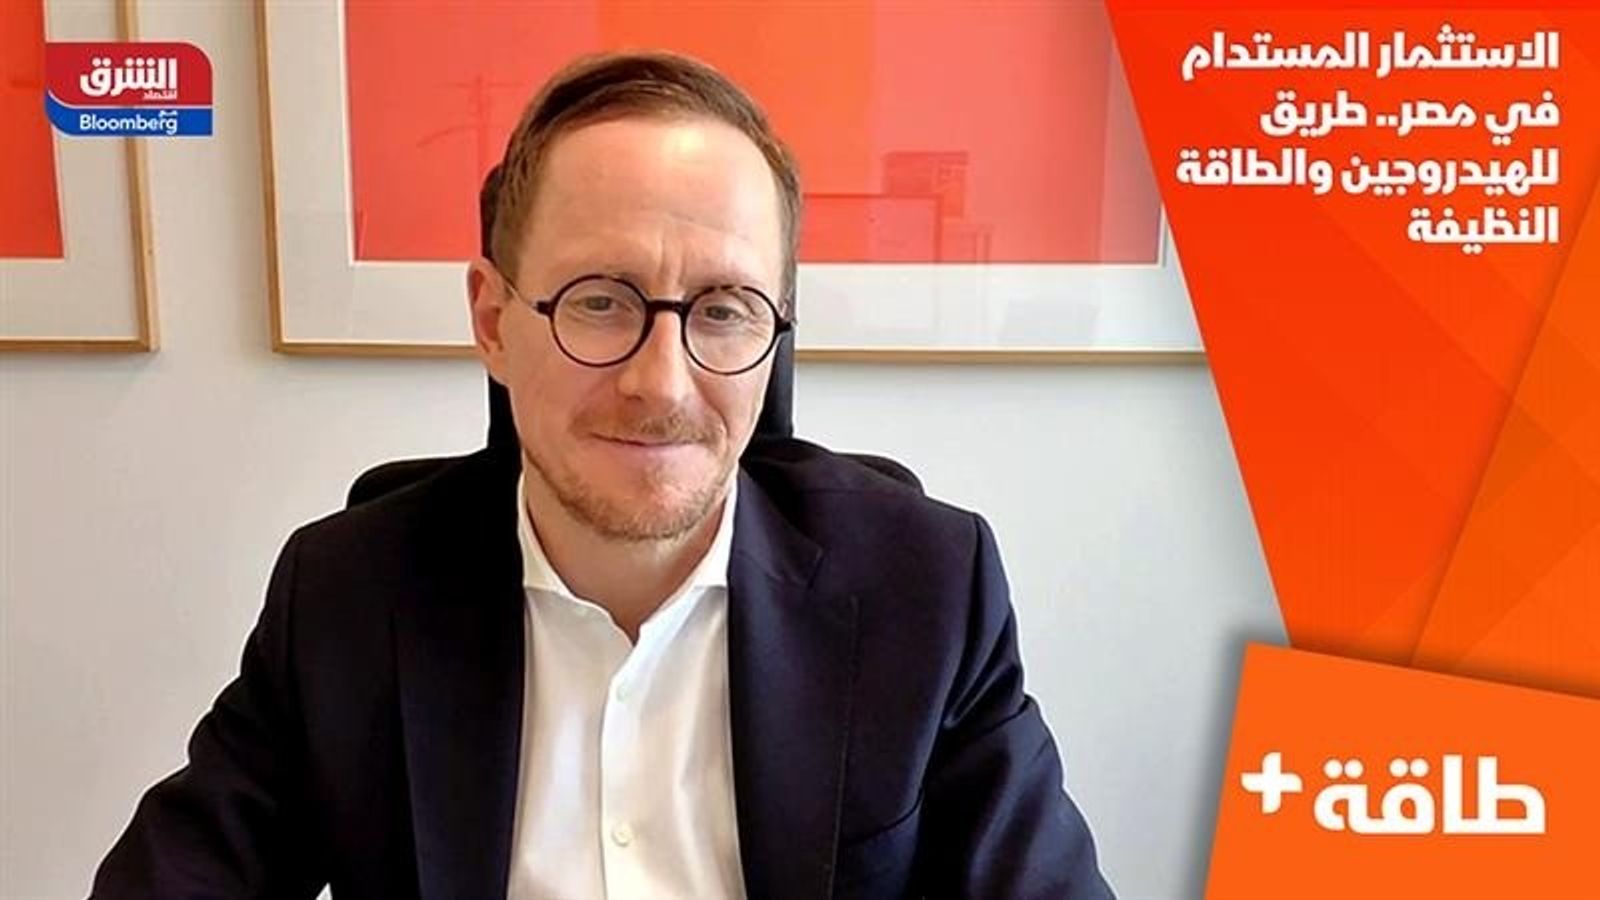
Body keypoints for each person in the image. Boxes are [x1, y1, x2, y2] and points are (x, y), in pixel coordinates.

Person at [91, 51, 1113, 899]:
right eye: (599, 300)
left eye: (723, 310)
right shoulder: (347, 598)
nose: (658, 383)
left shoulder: (924, 592)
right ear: (493, 320)